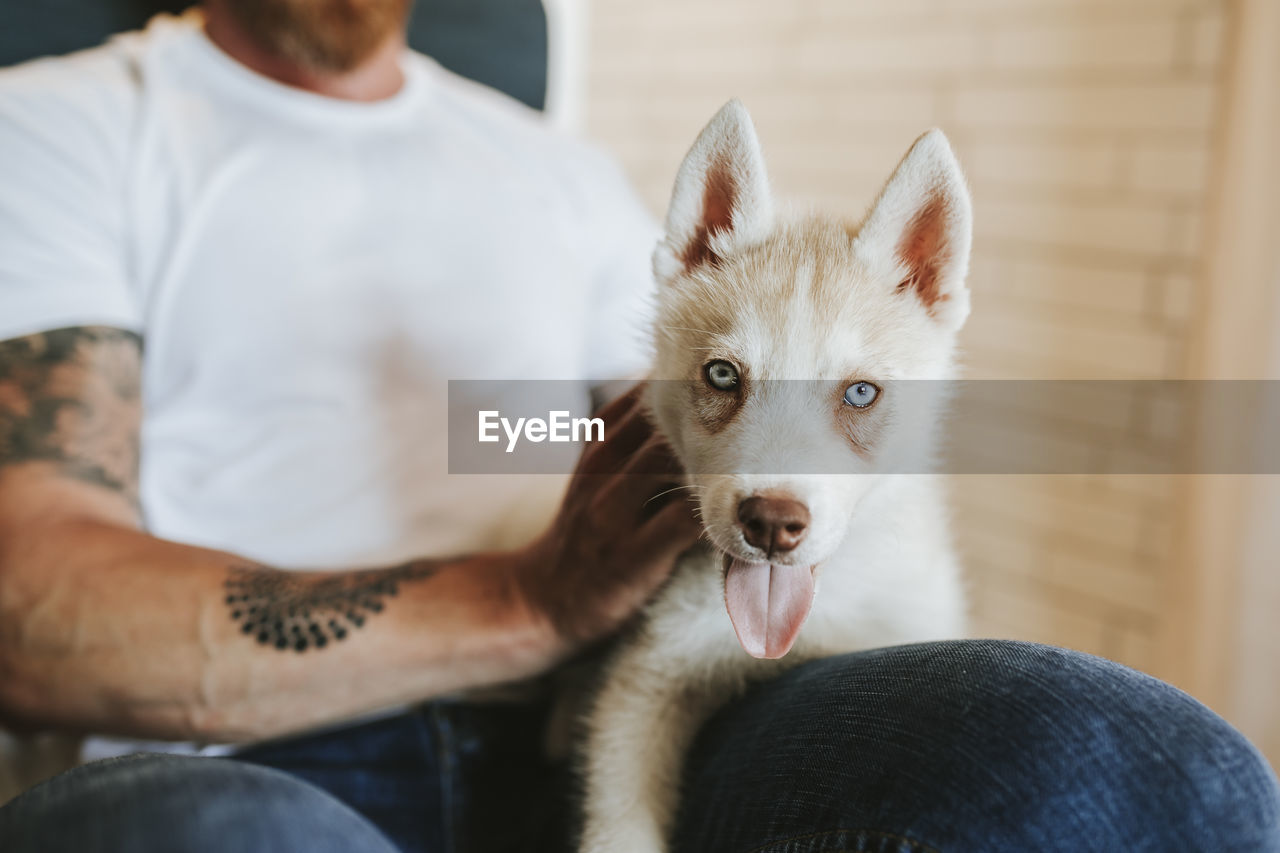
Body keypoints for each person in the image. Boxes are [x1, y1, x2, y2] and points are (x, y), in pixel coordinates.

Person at [0, 2, 1276, 852]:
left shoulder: (548, 170)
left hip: (599, 700)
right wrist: (524, 597)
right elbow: (30, 596)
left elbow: (568, 425)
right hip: (260, 745)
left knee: (1143, 762)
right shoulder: (59, 124)